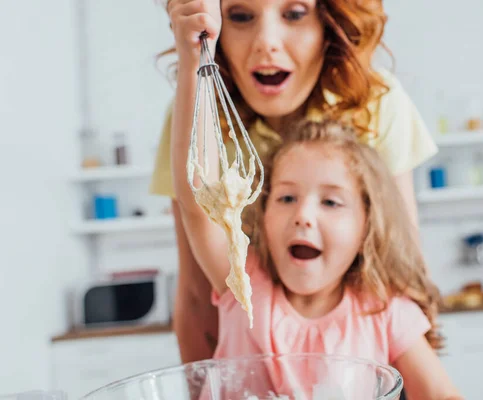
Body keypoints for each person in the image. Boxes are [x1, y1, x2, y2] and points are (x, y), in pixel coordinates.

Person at [151, 0, 439, 366]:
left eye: (295, 13)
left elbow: (401, 268)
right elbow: (196, 290)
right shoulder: (198, 120)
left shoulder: (376, 103)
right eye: (240, 16)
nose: (266, 42)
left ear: (329, 23)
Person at [187, 118, 462, 399]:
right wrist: (191, 76)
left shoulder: (384, 310)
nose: (303, 215)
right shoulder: (243, 282)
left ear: (366, 226)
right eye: (287, 198)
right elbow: (199, 202)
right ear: (263, 212)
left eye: (331, 202)